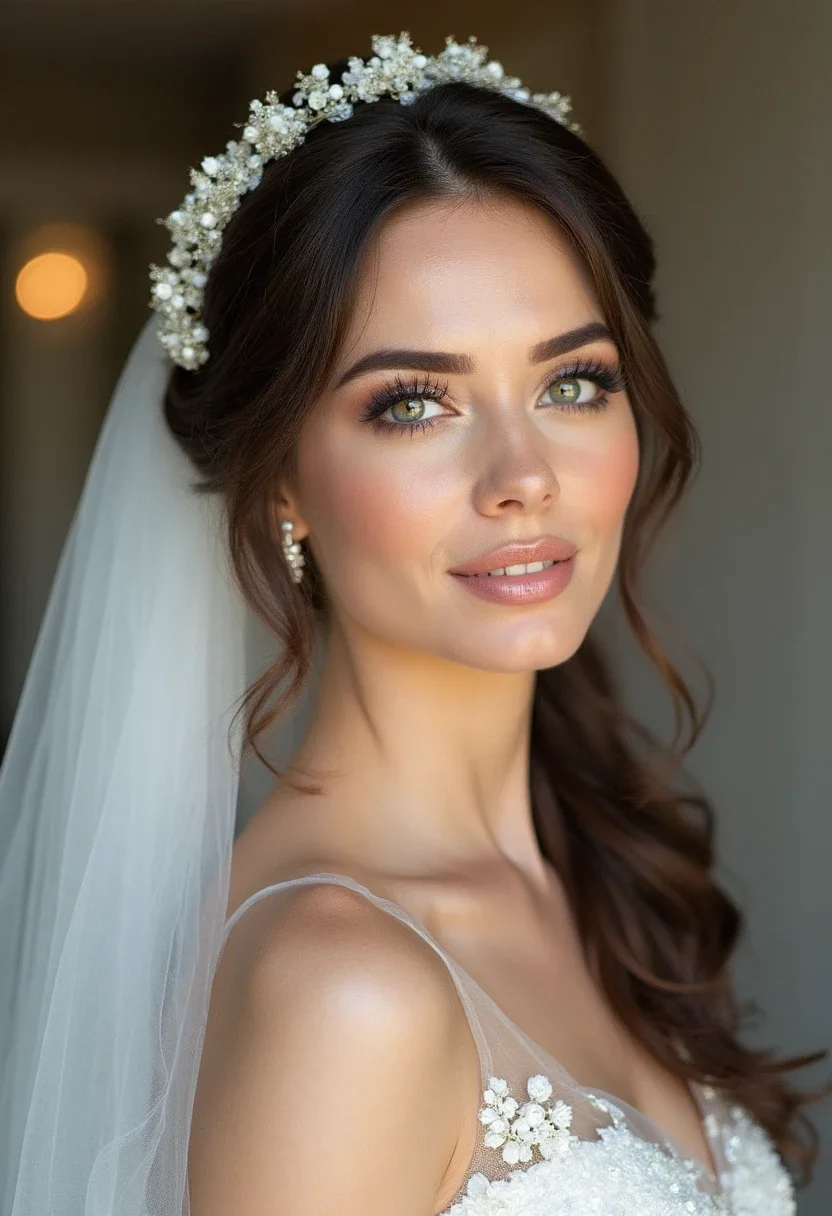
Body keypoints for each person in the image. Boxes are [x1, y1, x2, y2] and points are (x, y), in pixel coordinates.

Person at [0, 32, 825, 1216]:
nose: (520, 474)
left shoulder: (595, 877)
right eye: (413, 404)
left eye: (573, 383)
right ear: (280, 477)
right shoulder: (341, 990)